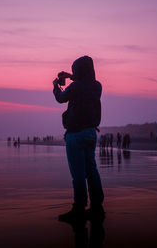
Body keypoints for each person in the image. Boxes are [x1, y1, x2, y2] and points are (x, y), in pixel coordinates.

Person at [53, 56, 104, 222]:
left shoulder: (76, 87)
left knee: (78, 174)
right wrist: (70, 76)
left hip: (76, 134)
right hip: (91, 133)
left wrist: (55, 86)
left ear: (78, 70)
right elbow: (84, 82)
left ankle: (79, 209)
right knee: (91, 171)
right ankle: (97, 206)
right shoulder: (97, 86)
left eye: (75, 69)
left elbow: (61, 98)